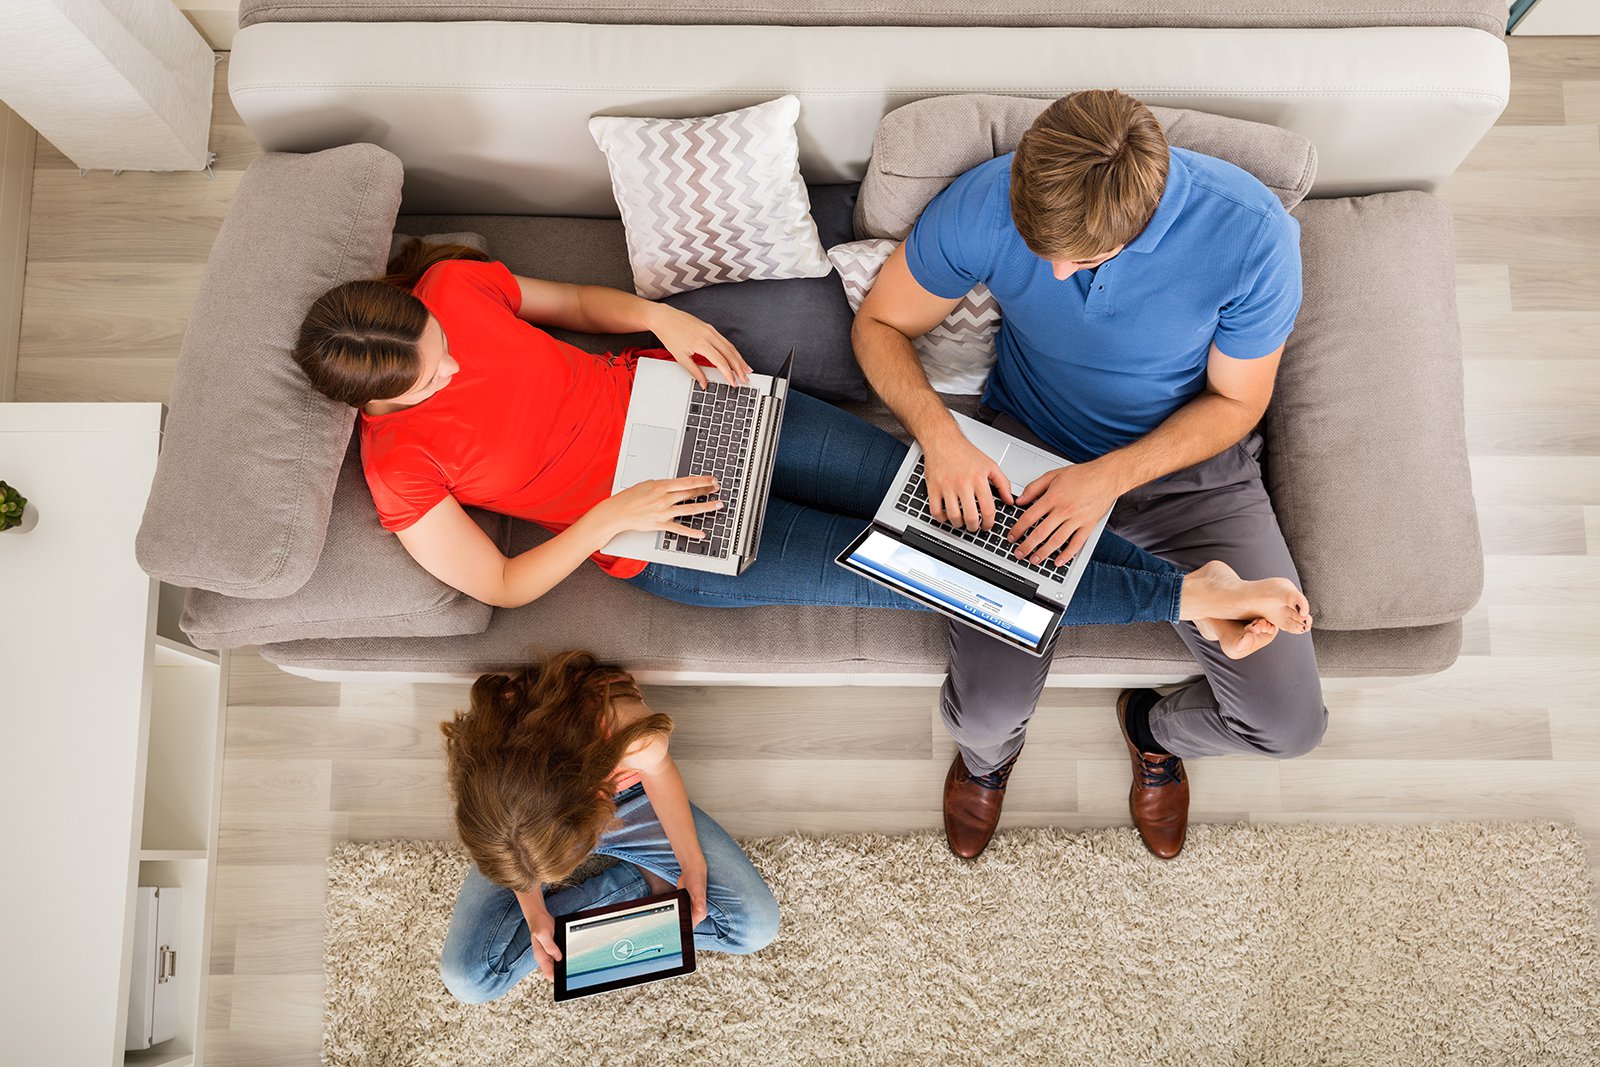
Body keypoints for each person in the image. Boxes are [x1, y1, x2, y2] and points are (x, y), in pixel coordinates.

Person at [289, 241, 1310, 661]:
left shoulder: (454, 293)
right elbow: (504, 583)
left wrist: (655, 317)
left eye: (436, 352)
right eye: (425, 384)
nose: (449, 371)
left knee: (941, 503)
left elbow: (572, 306)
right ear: (375, 409)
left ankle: (1193, 584)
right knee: (924, 573)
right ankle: (1184, 595)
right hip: (660, 529)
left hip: (698, 409)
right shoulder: (396, 467)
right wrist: (610, 514)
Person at [852, 89, 1328, 862]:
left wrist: (1109, 477)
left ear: (1147, 219)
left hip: (1186, 473)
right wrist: (940, 436)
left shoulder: (1252, 236)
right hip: (1029, 458)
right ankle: (988, 763)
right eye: (1042, 251)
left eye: (1085, 258)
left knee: (1289, 727)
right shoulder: (991, 197)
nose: (1058, 271)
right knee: (981, 716)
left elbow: (1239, 400)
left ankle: (1151, 729)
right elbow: (878, 323)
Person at [437, 650, 780, 1003]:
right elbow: (516, 846)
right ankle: (645, 882)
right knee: (468, 982)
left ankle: (645, 883)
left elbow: (658, 771)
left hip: (631, 799)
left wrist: (692, 862)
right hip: (527, 819)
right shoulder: (488, 763)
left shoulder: (627, 733)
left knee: (754, 928)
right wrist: (534, 907)